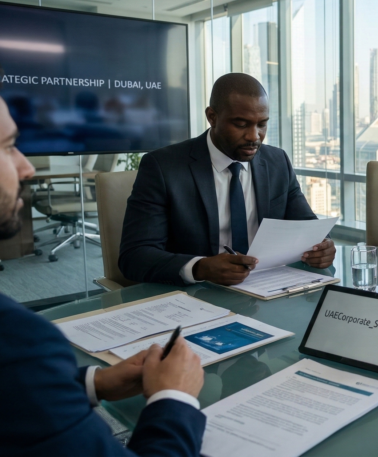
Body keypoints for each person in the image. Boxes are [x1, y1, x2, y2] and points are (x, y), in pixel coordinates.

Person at [0, 94, 207, 455]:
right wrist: (174, 399)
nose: (26, 167)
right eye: (8, 147)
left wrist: (94, 382)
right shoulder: (20, 342)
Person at [120, 73, 335, 286]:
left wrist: (321, 248)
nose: (254, 136)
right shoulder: (163, 167)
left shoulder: (277, 161)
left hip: (269, 286)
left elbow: (307, 227)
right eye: (241, 124)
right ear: (212, 117)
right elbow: (135, 256)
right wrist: (200, 267)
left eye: (262, 124)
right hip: (197, 295)